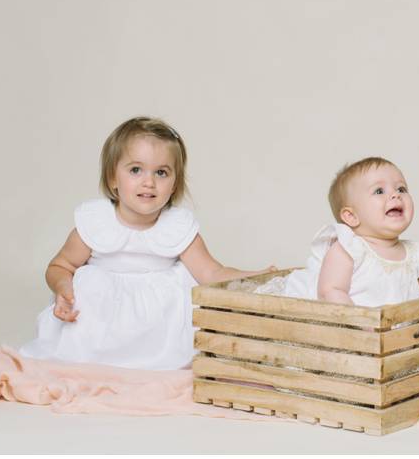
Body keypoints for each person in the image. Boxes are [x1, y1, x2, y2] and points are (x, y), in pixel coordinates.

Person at [19, 117, 274, 370]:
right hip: (103, 321)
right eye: (135, 170)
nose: (148, 182)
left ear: (174, 185)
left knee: (184, 292)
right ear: (112, 179)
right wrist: (64, 287)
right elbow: (60, 266)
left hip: (159, 325)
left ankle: (157, 361)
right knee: (89, 285)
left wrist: (253, 277)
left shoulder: (178, 228)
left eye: (161, 173)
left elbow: (212, 273)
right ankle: (95, 357)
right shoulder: (95, 224)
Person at [256, 156, 419, 310]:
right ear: (351, 217)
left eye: (401, 189)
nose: (395, 195)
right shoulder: (349, 249)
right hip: (353, 335)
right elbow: (330, 291)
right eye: (379, 191)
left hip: (391, 341)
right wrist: (361, 326)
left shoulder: (415, 254)